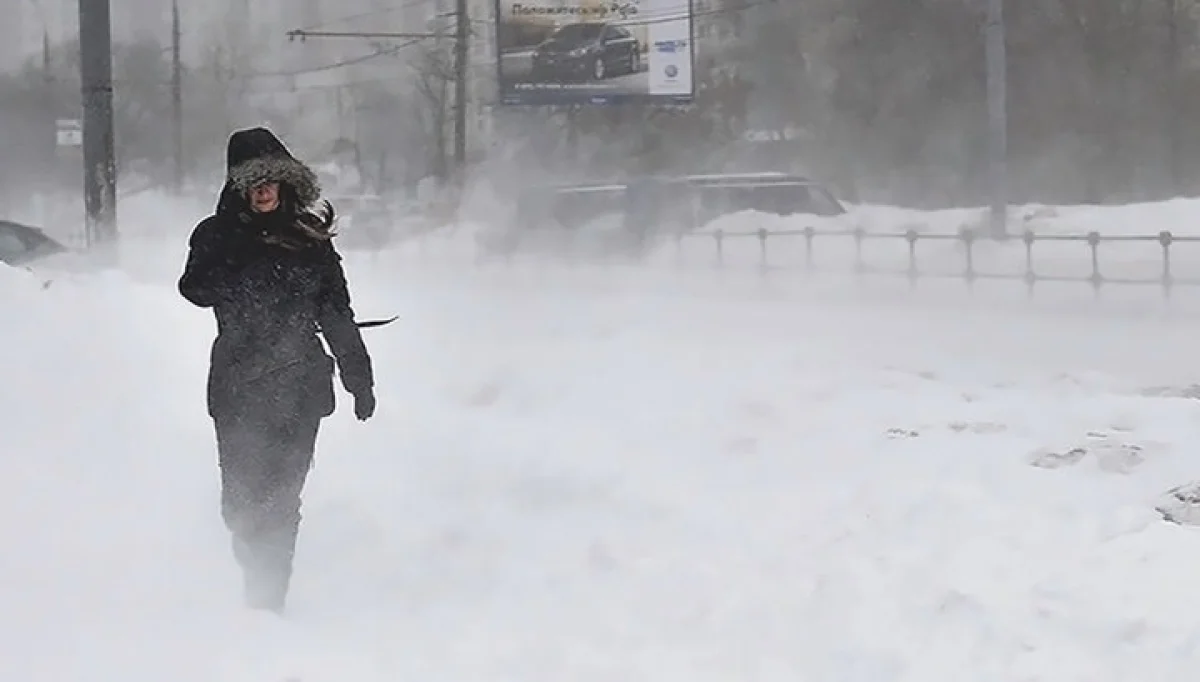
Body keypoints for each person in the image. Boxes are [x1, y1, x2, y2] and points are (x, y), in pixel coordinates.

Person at [178, 127, 377, 613]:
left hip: (299, 384)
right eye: (252, 182)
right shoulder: (215, 235)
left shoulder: (309, 238)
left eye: (271, 179)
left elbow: (336, 312)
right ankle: (254, 576)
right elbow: (194, 289)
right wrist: (236, 248)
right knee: (240, 506)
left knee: (281, 501)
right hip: (238, 385)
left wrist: (359, 377)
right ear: (238, 187)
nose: (263, 190)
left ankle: (268, 599)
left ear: (287, 182)